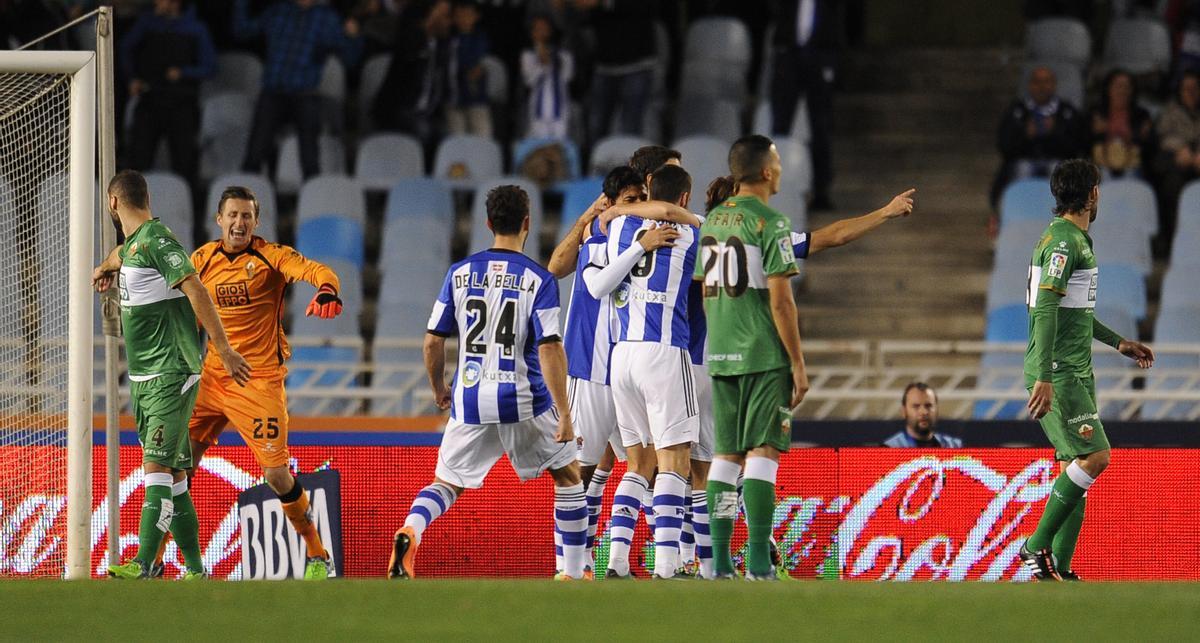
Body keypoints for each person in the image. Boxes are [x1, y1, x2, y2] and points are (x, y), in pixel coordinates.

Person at [143, 186, 345, 579]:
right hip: (212, 379)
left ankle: (318, 554)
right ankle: (158, 559)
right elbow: (156, 270)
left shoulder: (270, 257)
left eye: (246, 216)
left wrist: (327, 289)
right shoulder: (202, 258)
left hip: (258, 382)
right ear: (219, 219)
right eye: (232, 215)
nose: (239, 223)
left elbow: (319, 271)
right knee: (175, 466)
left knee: (276, 475)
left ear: (256, 222)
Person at [388, 186, 587, 580]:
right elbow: (549, 348)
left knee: (446, 483)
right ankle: (574, 572)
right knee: (568, 477)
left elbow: (432, 341)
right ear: (527, 223)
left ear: (488, 224)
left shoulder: (459, 274)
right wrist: (564, 413)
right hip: (523, 400)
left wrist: (438, 388)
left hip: (471, 399)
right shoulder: (539, 280)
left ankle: (412, 529)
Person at [92, 170, 251, 579]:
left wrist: (225, 348)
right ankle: (197, 570)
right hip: (146, 378)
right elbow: (121, 254)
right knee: (176, 476)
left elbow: (195, 287)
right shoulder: (134, 246)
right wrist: (103, 267)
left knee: (155, 468)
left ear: (112, 203)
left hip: (170, 370)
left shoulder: (158, 242)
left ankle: (145, 562)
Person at [547, 166, 701, 577]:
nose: (637, 207)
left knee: (638, 464)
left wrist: (619, 219)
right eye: (630, 200)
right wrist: (641, 239)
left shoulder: (615, 229)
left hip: (621, 361)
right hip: (612, 361)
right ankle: (657, 565)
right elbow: (582, 279)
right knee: (665, 461)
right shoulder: (681, 229)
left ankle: (614, 561)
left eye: (641, 198)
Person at [1020, 159, 1156, 581]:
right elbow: (1044, 308)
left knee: (1075, 467)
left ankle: (1058, 568)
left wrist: (1119, 343)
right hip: (1058, 371)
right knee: (1097, 456)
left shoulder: (1074, 240)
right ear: (1093, 194)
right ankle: (1034, 546)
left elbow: (1072, 312)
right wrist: (1044, 373)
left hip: (1073, 369)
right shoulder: (1064, 243)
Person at [695, 134, 807, 581]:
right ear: (766, 172)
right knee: (762, 453)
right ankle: (759, 560)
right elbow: (782, 302)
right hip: (762, 354)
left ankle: (719, 563)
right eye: (777, 163)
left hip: (719, 354)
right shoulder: (771, 223)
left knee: (725, 457)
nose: (780, 170)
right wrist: (797, 363)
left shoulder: (712, 222)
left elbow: (707, 290)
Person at [235, 0, 363, 180]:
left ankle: (313, 205)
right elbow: (243, 32)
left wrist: (354, 37)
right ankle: (245, 204)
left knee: (310, 159)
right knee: (255, 154)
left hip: (305, 93)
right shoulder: (278, 10)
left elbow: (349, 60)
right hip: (273, 90)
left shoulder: (326, 18)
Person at [120, 0, 216, 191]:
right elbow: (124, 49)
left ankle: (187, 210)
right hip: (150, 98)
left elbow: (210, 67)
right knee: (138, 160)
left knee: (184, 162)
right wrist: (132, 78)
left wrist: (183, 72)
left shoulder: (195, 28)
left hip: (182, 102)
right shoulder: (147, 23)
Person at [769, 0, 844, 211]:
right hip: (789, 59)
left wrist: (831, 64)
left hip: (819, 58)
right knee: (780, 127)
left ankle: (821, 190)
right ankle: (772, 188)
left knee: (820, 128)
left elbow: (838, 27)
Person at [991, 66, 1086, 209]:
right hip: (1023, 163)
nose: (1042, 87)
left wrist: (1055, 132)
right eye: (1037, 82)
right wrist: (1025, 135)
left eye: (1046, 82)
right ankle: (1021, 212)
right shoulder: (1016, 111)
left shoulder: (1067, 112)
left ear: (1054, 85)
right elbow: (1005, 146)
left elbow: (1077, 146)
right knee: (1022, 168)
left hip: (1057, 163)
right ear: (1030, 85)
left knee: (1058, 171)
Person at [372, 0, 453, 149]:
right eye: (445, 16)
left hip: (429, 113)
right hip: (400, 110)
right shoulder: (410, 41)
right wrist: (430, 22)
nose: (449, 22)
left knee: (447, 136)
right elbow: (408, 49)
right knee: (422, 131)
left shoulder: (443, 47)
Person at [577, 0, 657, 143]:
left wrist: (603, 3)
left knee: (630, 127)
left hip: (636, 63)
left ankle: (632, 164)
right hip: (604, 63)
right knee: (596, 127)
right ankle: (597, 164)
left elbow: (646, 6)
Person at [1154, 70, 1200, 248]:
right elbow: (1162, 137)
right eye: (1186, 88)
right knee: (1172, 184)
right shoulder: (1169, 111)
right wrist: (1182, 149)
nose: (1191, 92)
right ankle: (1174, 240)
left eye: (1195, 88)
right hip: (1176, 163)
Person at [1089, 69, 1154, 178]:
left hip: (1131, 163)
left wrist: (1137, 136)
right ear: (1108, 89)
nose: (1122, 91)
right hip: (1102, 163)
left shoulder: (1141, 115)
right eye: (1118, 86)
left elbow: (1149, 148)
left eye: (1127, 87)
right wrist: (1095, 132)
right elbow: (1084, 142)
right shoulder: (1096, 112)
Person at [520, 13, 574, 140]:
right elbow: (529, 80)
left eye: (544, 29)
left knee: (559, 144)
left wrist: (551, 58)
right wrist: (541, 62)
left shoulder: (564, 55)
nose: (541, 33)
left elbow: (568, 76)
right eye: (537, 29)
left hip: (560, 110)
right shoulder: (527, 55)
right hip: (538, 110)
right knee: (539, 144)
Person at [446, 0, 493, 138]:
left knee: (483, 138)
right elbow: (459, 63)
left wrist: (476, 67)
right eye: (460, 15)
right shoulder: (449, 39)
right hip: (454, 99)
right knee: (457, 140)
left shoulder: (481, 37)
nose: (464, 19)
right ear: (453, 17)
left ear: (476, 16)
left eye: (468, 14)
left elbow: (477, 61)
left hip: (477, 99)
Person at [882, 382, 963, 448]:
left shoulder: (953, 447)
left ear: (937, 410)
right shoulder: (890, 449)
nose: (923, 412)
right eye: (916, 406)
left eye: (928, 405)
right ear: (904, 411)